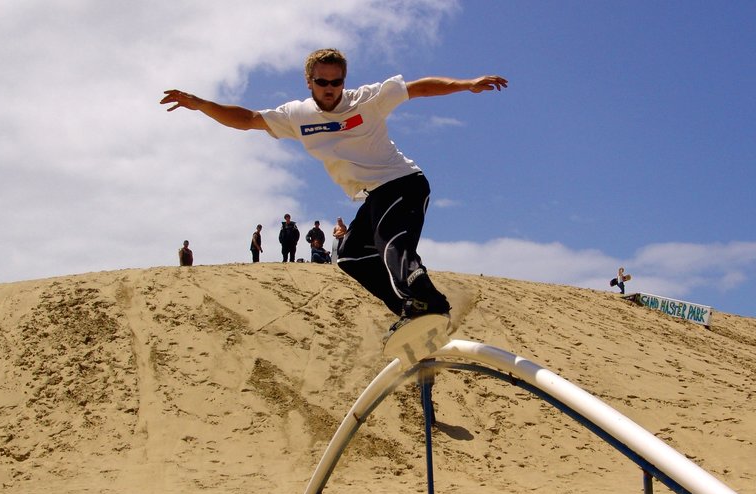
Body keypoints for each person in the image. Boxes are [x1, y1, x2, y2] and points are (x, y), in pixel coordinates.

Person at [162, 48, 507, 333]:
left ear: (344, 80)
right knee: (350, 256)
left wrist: (466, 84)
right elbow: (249, 119)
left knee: (392, 246)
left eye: (336, 82)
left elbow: (418, 88)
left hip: (404, 184)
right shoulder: (297, 115)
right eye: (322, 82)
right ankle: (409, 308)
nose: (330, 89)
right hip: (374, 195)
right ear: (309, 81)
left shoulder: (366, 100)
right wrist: (201, 104)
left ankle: (431, 302)